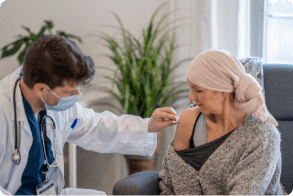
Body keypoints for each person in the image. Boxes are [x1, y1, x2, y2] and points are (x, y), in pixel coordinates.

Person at [0, 35, 179, 196]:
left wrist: (148, 126)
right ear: (40, 89)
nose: (76, 95)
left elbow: (94, 125)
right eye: (69, 92)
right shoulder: (3, 112)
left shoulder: (52, 101)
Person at [158, 48, 288, 195]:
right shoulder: (189, 122)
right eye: (190, 89)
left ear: (224, 90)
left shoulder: (264, 137)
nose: (191, 97)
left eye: (198, 90)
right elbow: (169, 184)